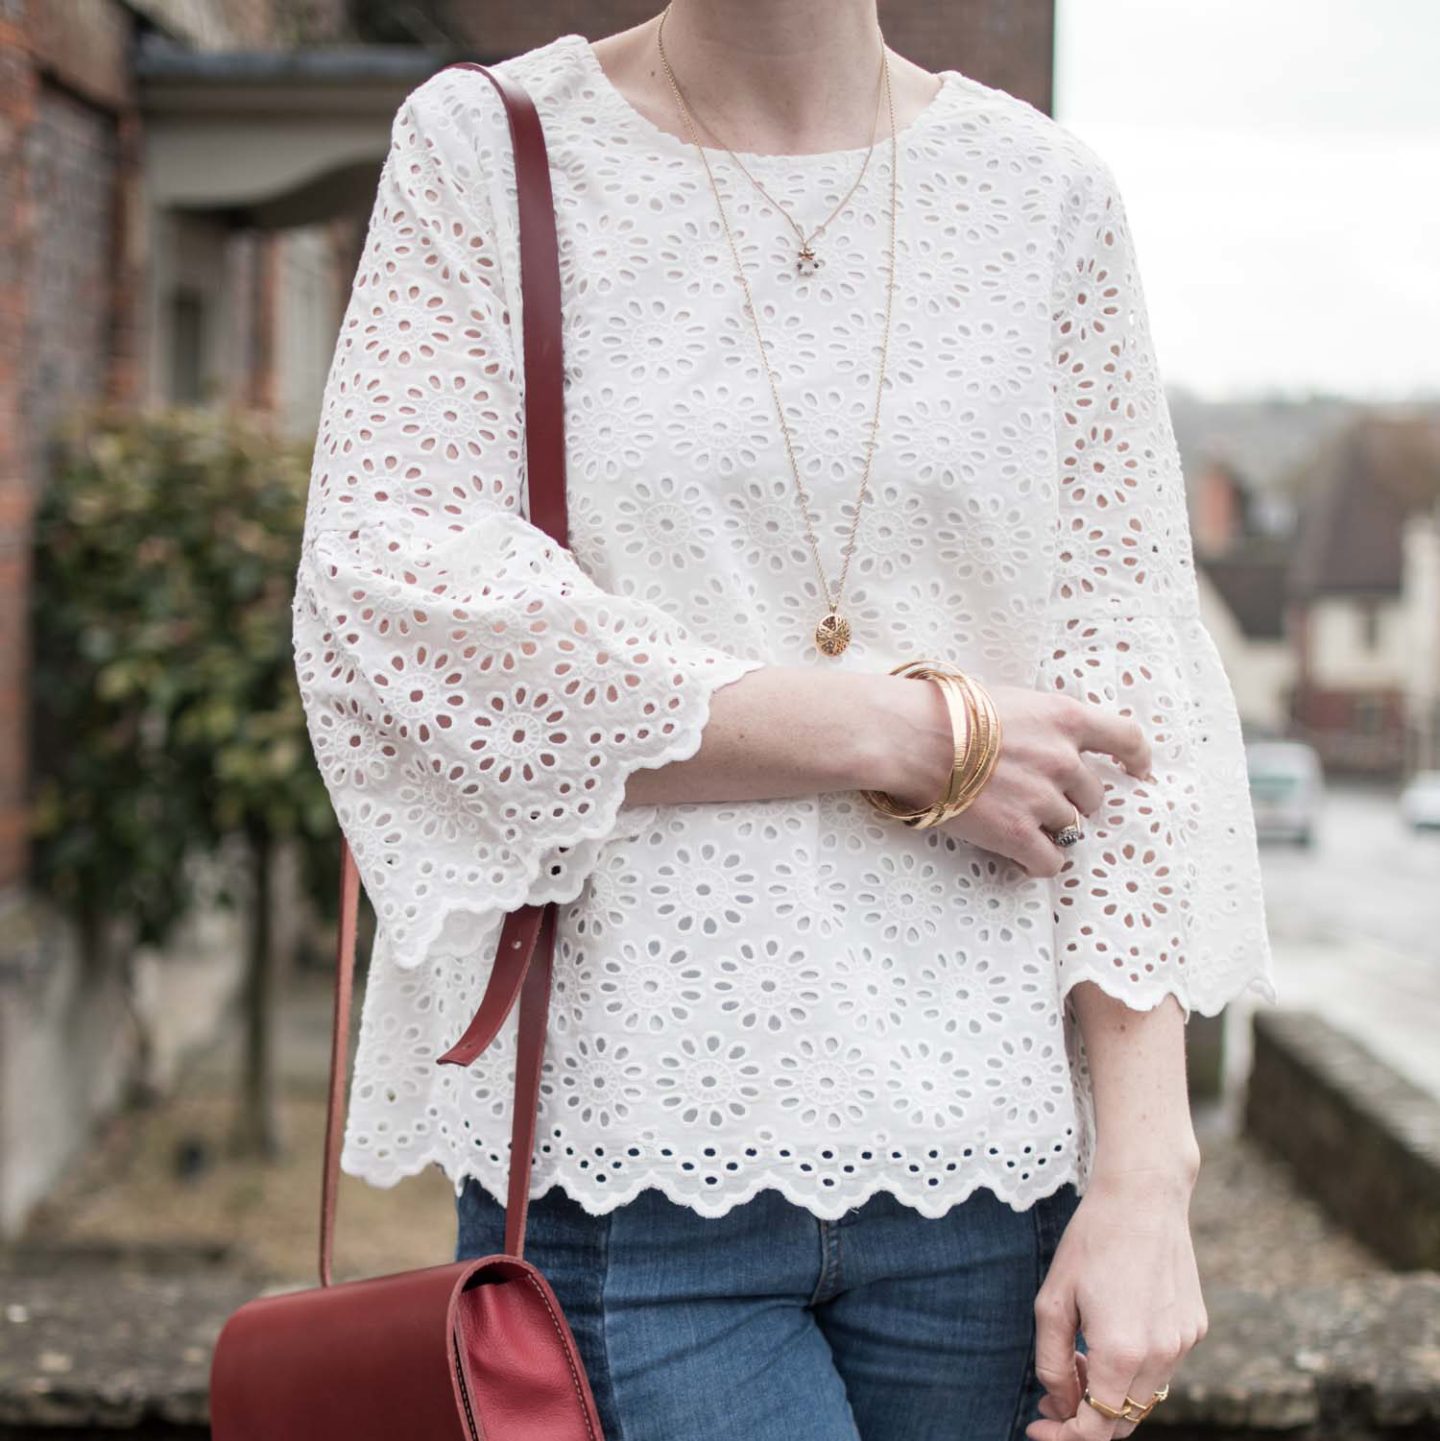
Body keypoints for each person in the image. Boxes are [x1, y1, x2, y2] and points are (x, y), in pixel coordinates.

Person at [290, 3, 1278, 1438]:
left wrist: (1147, 1173)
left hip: (990, 1180)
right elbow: (405, 611)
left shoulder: (1045, 198)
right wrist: (904, 735)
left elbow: (1130, 697)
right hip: (626, 1167)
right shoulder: (490, 153)